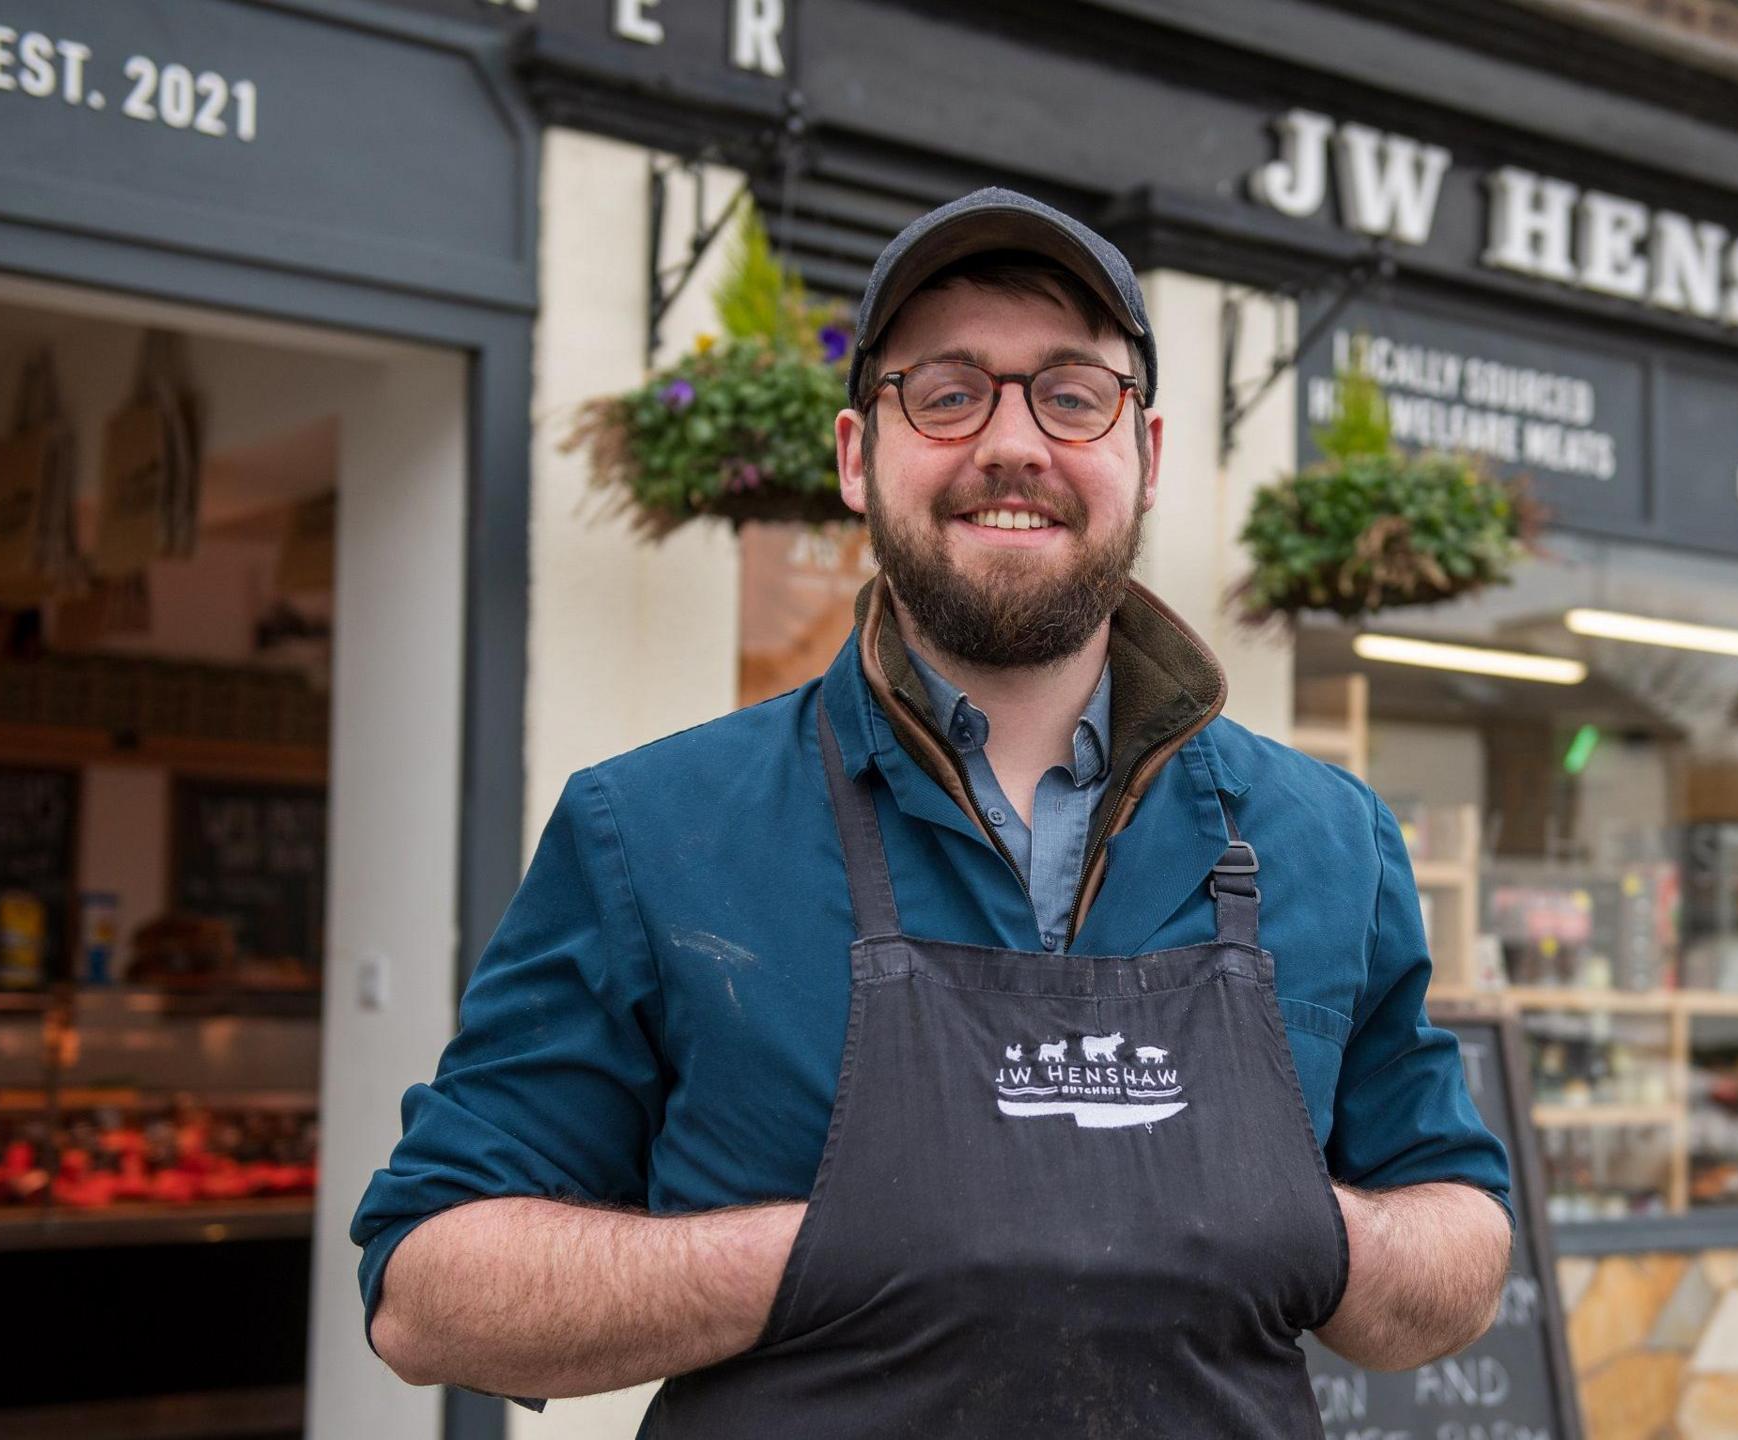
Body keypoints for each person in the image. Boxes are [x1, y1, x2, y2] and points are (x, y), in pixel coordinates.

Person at [352, 188, 1514, 1435]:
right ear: (858, 457)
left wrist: (1293, 1222)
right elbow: (428, 1288)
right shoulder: (651, 828)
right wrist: (824, 1253)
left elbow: (1462, 1238)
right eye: (948, 392)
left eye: (1073, 394)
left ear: (1149, 456)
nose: (1012, 445)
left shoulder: (1328, 837)